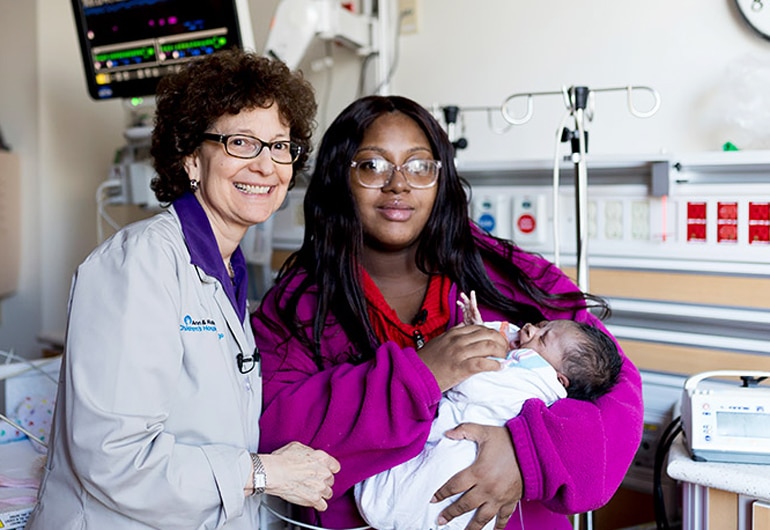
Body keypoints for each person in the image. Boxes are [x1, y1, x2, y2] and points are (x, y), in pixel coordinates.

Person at [251, 94, 644, 530]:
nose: (398, 184)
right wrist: (419, 376)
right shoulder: (297, 307)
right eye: (372, 165)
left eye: (419, 165)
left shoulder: (507, 275)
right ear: (338, 177)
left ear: (441, 178)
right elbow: (273, 429)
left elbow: (617, 391)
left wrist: (527, 453)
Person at [26, 49, 340, 530]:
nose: (265, 165)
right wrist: (263, 472)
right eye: (241, 142)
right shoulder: (139, 264)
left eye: (280, 146)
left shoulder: (230, 270)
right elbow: (114, 459)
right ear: (192, 158)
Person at [354, 291, 623, 530]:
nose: (529, 330)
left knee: (430, 489)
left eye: (542, 338)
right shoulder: (527, 363)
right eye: (540, 326)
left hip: (466, 454)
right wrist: (478, 331)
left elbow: (476, 385)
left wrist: (455, 362)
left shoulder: (533, 380)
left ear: (559, 378)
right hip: (465, 446)